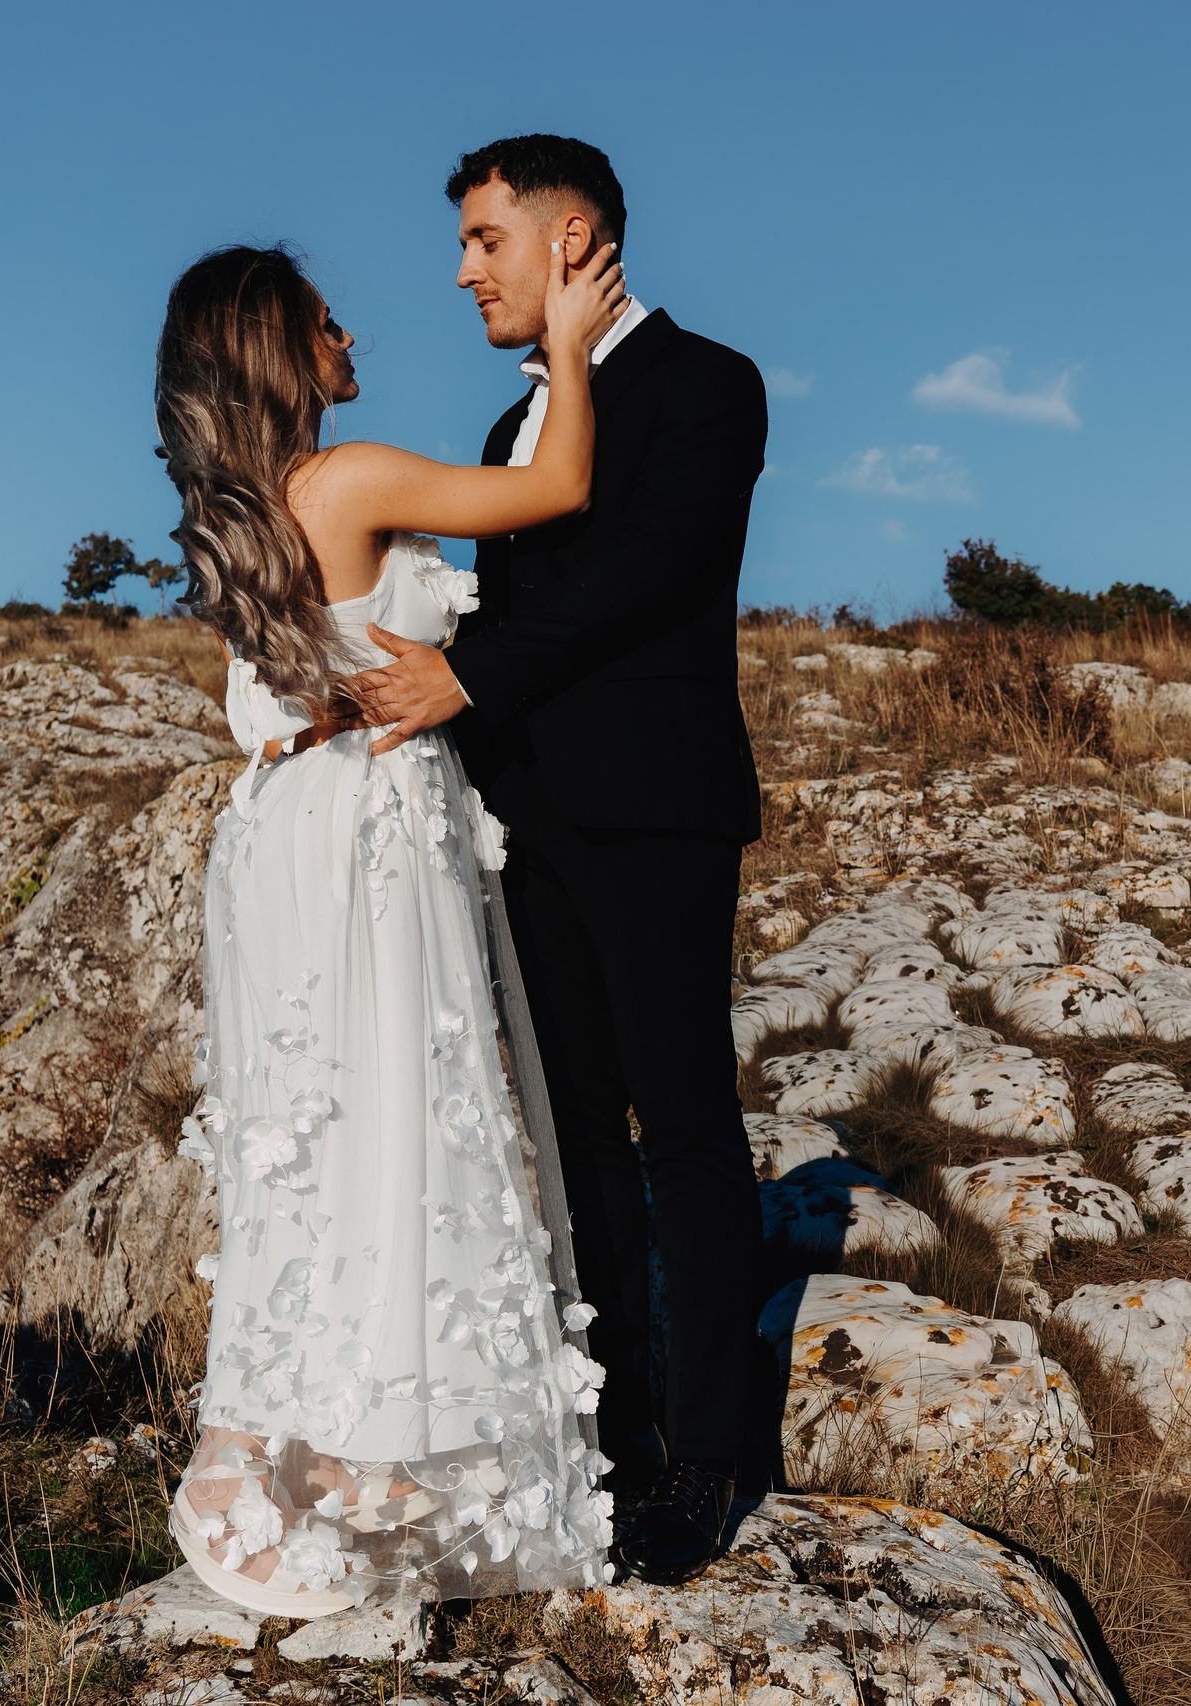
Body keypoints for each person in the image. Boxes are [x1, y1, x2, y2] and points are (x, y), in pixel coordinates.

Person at [305, 134, 771, 1586]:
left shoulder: (711, 385)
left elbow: (650, 577)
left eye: (484, 241)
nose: (462, 271)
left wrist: (468, 678)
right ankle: (619, 1446)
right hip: (526, 817)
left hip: (654, 809)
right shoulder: (511, 427)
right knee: (577, 1144)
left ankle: (709, 1457)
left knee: (684, 1126)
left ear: (571, 239)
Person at [155, 237, 629, 1613]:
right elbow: (557, 487)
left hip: (298, 828)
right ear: (278, 354)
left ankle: (319, 1432)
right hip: (367, 832)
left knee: (327, 1125)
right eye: (322, 322)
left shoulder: (248, 506)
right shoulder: (348, 478)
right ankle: (372, 1437)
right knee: (397, 1117)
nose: (347, 333)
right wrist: (574, 350)